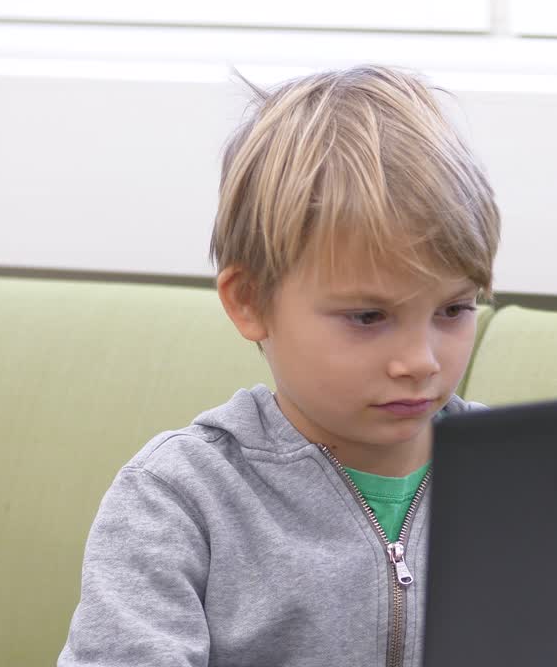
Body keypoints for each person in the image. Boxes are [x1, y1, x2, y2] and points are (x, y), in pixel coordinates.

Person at [59, 64, 500, 667]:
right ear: (249, 301)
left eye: (453, 309)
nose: (419, 362)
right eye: (368, 317)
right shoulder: (181, 498)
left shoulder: (519, 476)